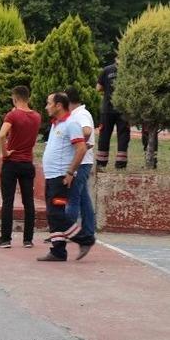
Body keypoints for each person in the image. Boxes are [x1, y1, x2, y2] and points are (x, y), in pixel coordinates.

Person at [38, 92, 95, 262]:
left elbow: (81, 149)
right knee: (53, 213)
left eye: (49, 103)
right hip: (52, 176)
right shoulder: (57, 124)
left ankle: (85, 239)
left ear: (58, 105)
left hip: (61, 177)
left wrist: (70, 172)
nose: (46, 106)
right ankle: (58, 251)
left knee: (57, 214)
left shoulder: (71, 124)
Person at [0, 86, 41, 249]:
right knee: (29, 202)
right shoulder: (36, 116)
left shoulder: (12, 115)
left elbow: (1, 135)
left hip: (11, 162)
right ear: (28, 97)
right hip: (27, 163)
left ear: (15, 98)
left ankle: (5, 238)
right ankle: (28, 239)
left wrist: (5, 152)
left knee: (8, 201)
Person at [64, 87, 96, 242]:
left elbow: (87, 130)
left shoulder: (81, 114)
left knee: (73, 198)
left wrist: (73, 139)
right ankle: (88, 231)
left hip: (81, 162)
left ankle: (67, 231)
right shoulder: (75, 114)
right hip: (82, 161)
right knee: (83, 199)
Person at [96, 58, 130, 169]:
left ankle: (101, 163)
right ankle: (121, 164)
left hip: (107, 109)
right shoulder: (129, 69)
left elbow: (98, 88)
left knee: (104, 135)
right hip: (123, 109)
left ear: (115, 58)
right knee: (123, 135)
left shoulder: (106, 70)